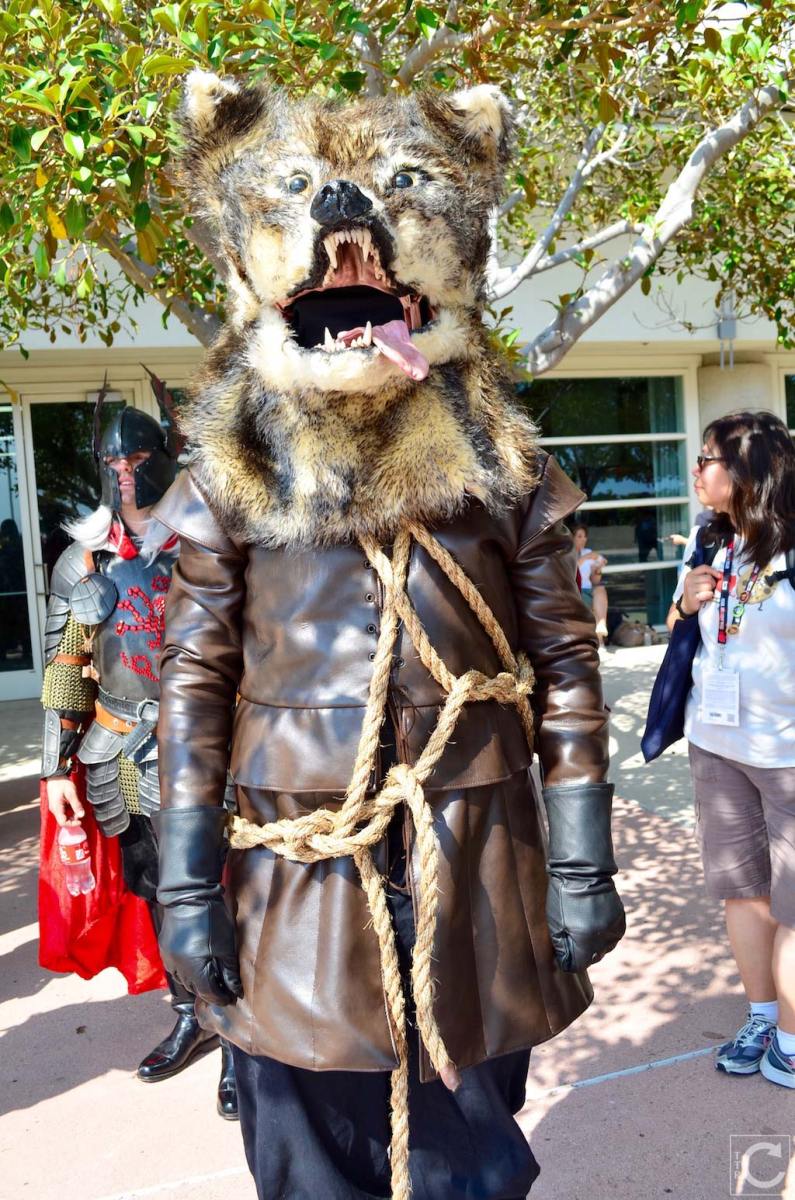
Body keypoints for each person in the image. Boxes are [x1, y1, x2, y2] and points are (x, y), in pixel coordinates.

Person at [152, 74, 625, 1200]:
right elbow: (193, 673)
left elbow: (567, 666)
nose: (343, 220)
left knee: (471, 1155)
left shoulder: (509, 474)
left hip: (476, 864)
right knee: (304, 1156)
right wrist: (180, 884)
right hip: (292, 870)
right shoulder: (230, 480)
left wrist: (580, 858)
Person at [40, 405, 238, 1117]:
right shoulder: (83, 556)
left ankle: (239, 1034)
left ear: (166, 453)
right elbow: (63, 667)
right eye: (113, 465)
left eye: (138, 460)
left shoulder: (209, 537)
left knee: (228, 889)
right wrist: (52, 770)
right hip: (119, 744)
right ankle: (189, 1013)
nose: (125, 475)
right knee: (159, 892)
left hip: (212, 743)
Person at [670, 410, 795, 1089]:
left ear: (748, 472)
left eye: (708, 459)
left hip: (788, 753)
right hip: (716, 745)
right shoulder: (706, 538)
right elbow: (677, 628)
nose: (696, 470)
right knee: (743, 895)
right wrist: (685, 603)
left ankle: (790, 1041)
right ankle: (761, 1017)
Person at [573, 522, 609, 643]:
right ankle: (600, 641)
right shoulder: (567, 553)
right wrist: (586, 558)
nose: (584, 539)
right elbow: (571, 571)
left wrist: (597, 570)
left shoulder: (588, 551)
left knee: (600, 589)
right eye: (579, 536)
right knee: (589, 602)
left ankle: (602, 623)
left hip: (588, 588)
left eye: (585, 536)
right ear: (572, 538)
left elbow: (595, 580)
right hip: (575, 590)